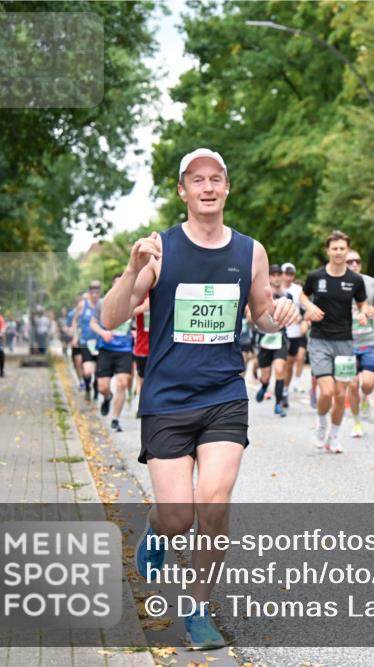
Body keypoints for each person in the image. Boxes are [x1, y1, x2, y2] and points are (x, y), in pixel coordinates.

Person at [100, 148, 298, 649]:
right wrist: (131, 270)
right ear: (182, 191)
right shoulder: (160, 249)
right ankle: (156, 529)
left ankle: (198, 609)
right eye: (197, 180)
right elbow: (110, 317)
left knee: (213, 502)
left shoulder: (251, 252)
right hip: (167, 397)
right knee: (178, 517)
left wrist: (280, 314)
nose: (207, 187)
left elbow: (261, 315)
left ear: (227, 188)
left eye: (216, 179)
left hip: (223, 393)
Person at [300, 230, 372, 453]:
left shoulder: (355, 280)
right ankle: (322, 423)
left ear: (347, 250)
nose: (339, 252)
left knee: (341, 395)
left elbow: (362, 303)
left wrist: (363, 313)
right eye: (335, 248)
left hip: (344, 342)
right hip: (320, 340)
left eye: (342, 248)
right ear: (328, 251)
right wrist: (310, 307)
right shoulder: (316, 276)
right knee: (327, 391)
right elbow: (303, 295)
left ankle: (333, 436)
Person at [345, 249, 374, 437]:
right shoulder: (338, 283)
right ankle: (357, 422)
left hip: (368, 340)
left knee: (367, 384)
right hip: (346, 342)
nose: (354, 264)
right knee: (352, 384)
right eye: (350, 262)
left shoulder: (371, 282)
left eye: (357, 261)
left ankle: (366, 397)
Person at [91, 273, 135, 432]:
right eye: (117, 284)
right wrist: (103, 333)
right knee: (102, 386)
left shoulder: (133, 302)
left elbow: (136, 324)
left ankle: (115, 419)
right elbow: (93, 323)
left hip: (125, 349)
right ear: (112, 286)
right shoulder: (102, 303)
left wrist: (135, 332)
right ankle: (107, 396)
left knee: (122, 383)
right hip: (106, 349)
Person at [253, 263, 289, 415]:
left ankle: (278, 404)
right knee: (265, 376)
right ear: (269, 277)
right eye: (273, 275)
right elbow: (253, 315)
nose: (276, 278)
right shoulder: (262, 295)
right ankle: (264, 385)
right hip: (265, 340)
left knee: (280, 370)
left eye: (279, 275)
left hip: (280, 339)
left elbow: (294, 314)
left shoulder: (288, 295)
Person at [279, 262, 308, 408]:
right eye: (286, 274)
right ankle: (278, 388)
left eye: (291, 274)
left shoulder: (298, 290)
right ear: (281, 274)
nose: (288, 277)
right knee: (281, 364)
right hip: (278, 331)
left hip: (295, 331)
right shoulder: (275, 288)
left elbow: (307, 308)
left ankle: (285, 390)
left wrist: (305, 321)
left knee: (290, 363)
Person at [71, 281, 103, 400]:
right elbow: (75, 321)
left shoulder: (102, 305)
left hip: (99, 342)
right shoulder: (82, 305)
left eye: (97, 292)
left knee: (98, 371)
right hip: (85, 342)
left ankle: (95, 393)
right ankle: (88, 388)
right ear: (89, 292)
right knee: (87, 371)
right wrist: (75, 336)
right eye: (92, 292)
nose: (95, 295)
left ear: (99, 292)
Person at [132, 295, 150, 401]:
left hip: (161, 347)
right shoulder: (141, 293)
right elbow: (127, 313)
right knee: (142, 380)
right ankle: (140, 402)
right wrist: (143, 308)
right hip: (142, 348)